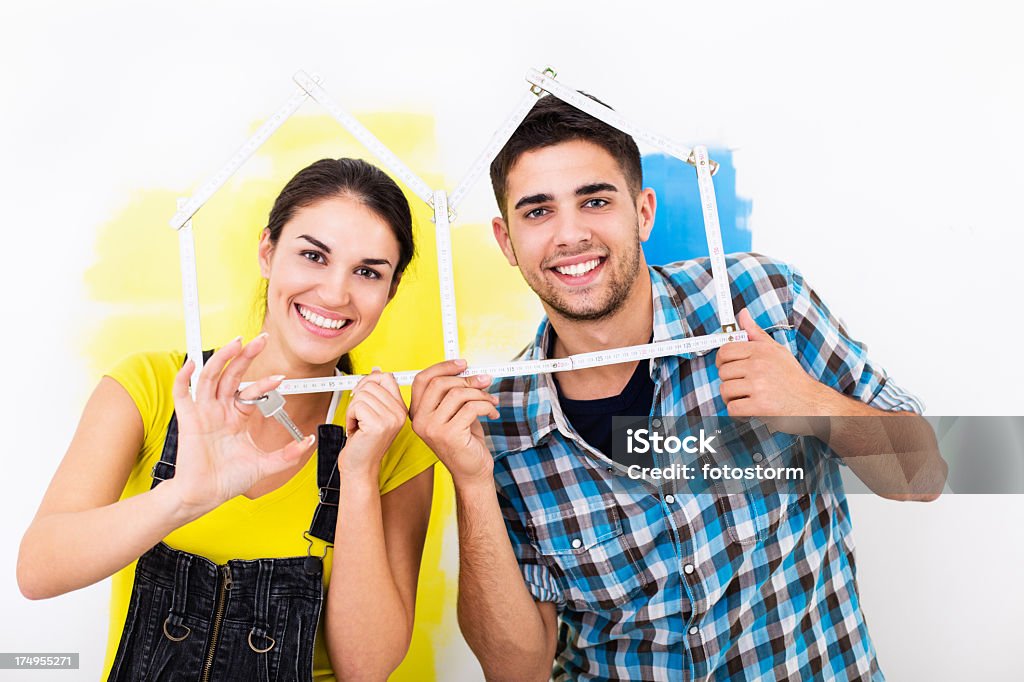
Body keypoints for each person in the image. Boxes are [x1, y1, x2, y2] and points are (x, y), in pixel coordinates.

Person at [409, 94, 947, 680]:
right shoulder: (496, 419)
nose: (570, 234)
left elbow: (923, 476)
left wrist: (814, 406)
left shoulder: (762, 300)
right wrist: (471, 482)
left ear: (643, 212)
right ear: (507, 241)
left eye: (595, 200)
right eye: (538, 212)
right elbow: (517, 670)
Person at [17, 158, 436, 681]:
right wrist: (182, 497)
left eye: (368, 272)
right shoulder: (150, 387)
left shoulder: (395, 437)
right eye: (312, 256)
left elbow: (366, 668)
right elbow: (37, 571)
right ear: (267, 252)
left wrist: (356, 476)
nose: (335, 294)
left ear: (390, 290)